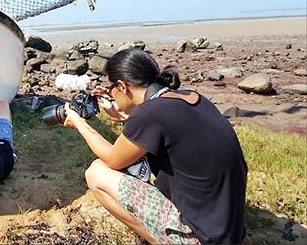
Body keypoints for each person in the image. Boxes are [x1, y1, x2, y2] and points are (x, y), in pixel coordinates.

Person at [63, 48, 248, 244]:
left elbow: (112, 159)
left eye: (110, 90)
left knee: (96, 172)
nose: (112, 96)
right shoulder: (190, 97)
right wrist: (122, 116)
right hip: (230, 229)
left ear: (123, 86)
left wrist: (80, 124)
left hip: (202, 238)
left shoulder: (148, 114)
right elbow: (158, 130)